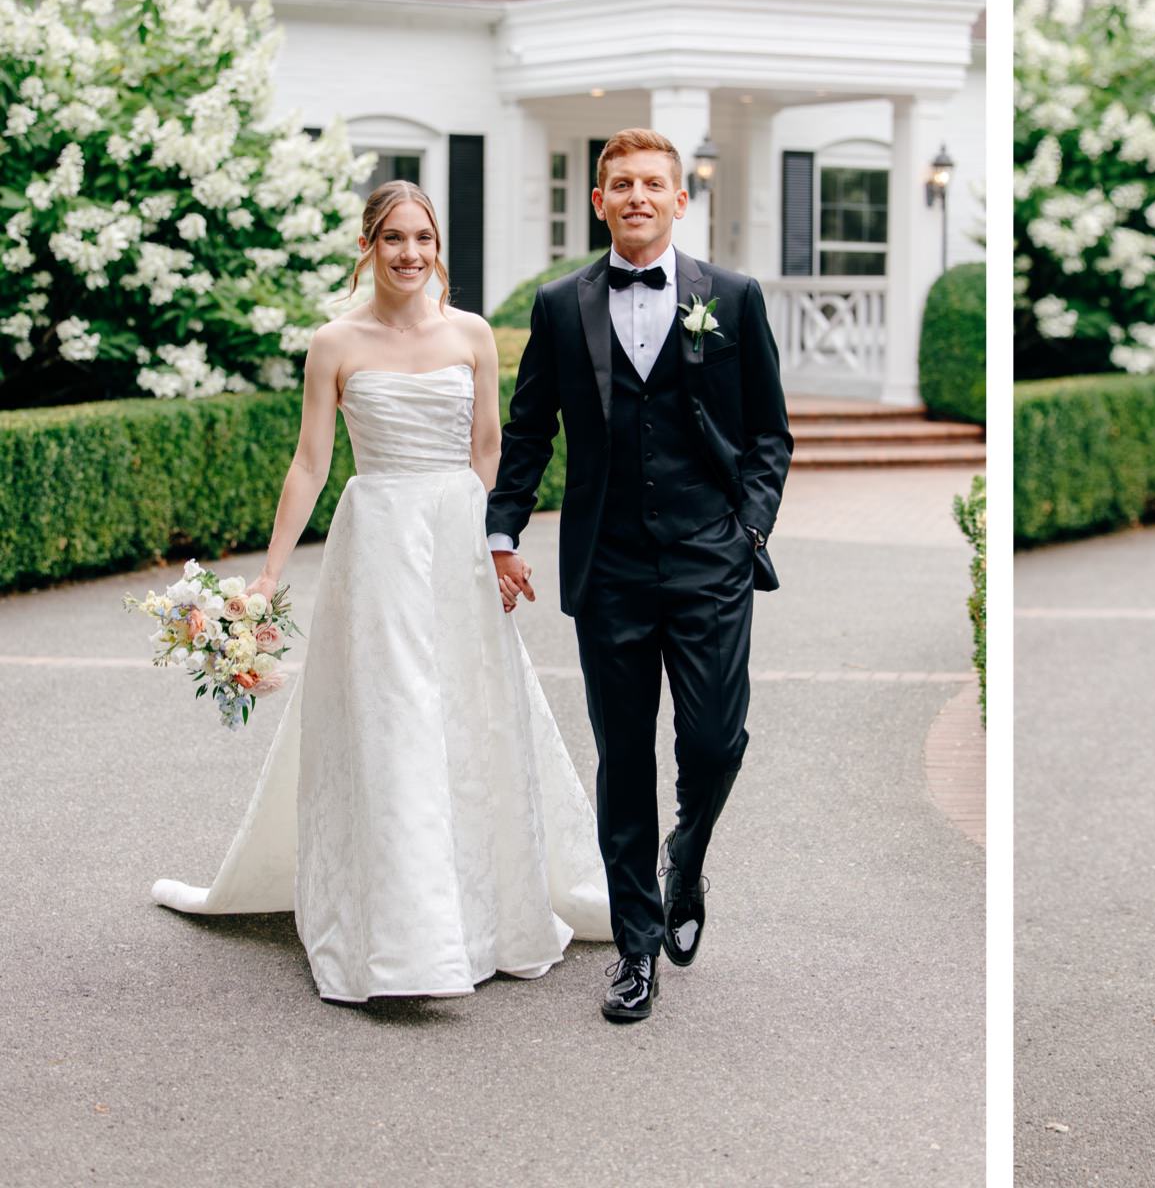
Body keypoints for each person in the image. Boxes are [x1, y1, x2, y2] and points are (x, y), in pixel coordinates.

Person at [152, 179, 612, 1002]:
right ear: (368, 246)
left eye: (424, 239)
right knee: (396, 718)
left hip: (458, 538)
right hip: (379, 541)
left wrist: (496, 547)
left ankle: (486, 909)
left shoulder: (472, 335)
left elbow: (487, 449)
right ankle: (409, 936)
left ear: (439, 249)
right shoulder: (334, 342)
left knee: (470, 715)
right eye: (394, 238)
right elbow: (311, 463)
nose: (410, 254)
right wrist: (268, 572)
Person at [486, 128, 792, 1025]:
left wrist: (749, 530)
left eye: (653, 184)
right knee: (624, 758)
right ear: (598, 202)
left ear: (678, 199)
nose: (636, 197)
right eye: (619, 184)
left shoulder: (732, 298)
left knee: (711, 742)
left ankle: (685, 861)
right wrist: (502, 526)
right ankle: (636, 947)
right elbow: (531, 430)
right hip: (608, 563)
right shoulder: (557, 305)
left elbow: (771, 434)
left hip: (710, 559)